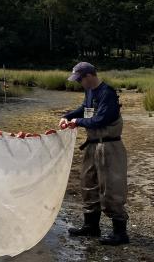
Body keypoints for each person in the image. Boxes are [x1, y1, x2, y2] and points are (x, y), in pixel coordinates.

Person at [58, 62, 129, 246]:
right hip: (92, 145)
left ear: (89, 75)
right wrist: (67, 116)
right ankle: (91, 226)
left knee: (111, 188)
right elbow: (84, 109)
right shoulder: (89, 91)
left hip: (109, 147)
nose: (79, 82)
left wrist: (77, 121)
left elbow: (100, 119)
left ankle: (120, 233)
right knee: (88, 184)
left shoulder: (107, 93)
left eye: (80, 79)